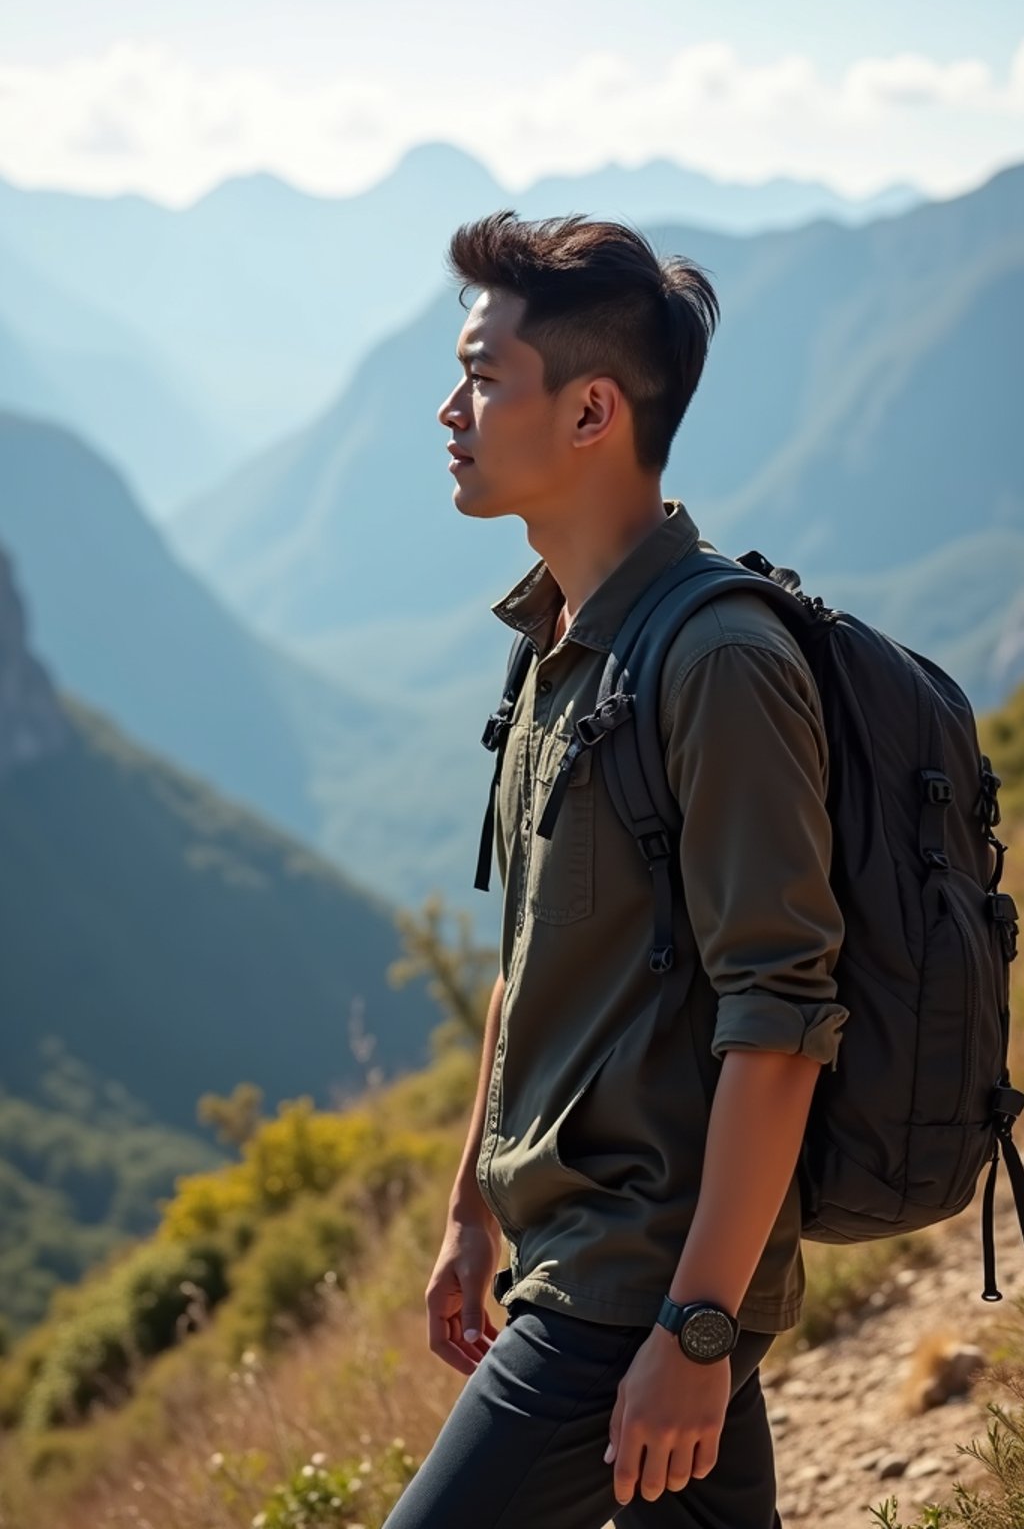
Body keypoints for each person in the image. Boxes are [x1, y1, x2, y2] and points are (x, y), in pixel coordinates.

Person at [383, 210, 848, 1529]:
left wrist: (697, 1336)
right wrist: (473, 1210)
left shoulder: (718, 665)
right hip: (571, 1258)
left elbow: (783, 1020)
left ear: (592, 412)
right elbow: (534, 958)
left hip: (626, 1288)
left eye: (483, 375)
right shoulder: (561, 641)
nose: (449, 409)